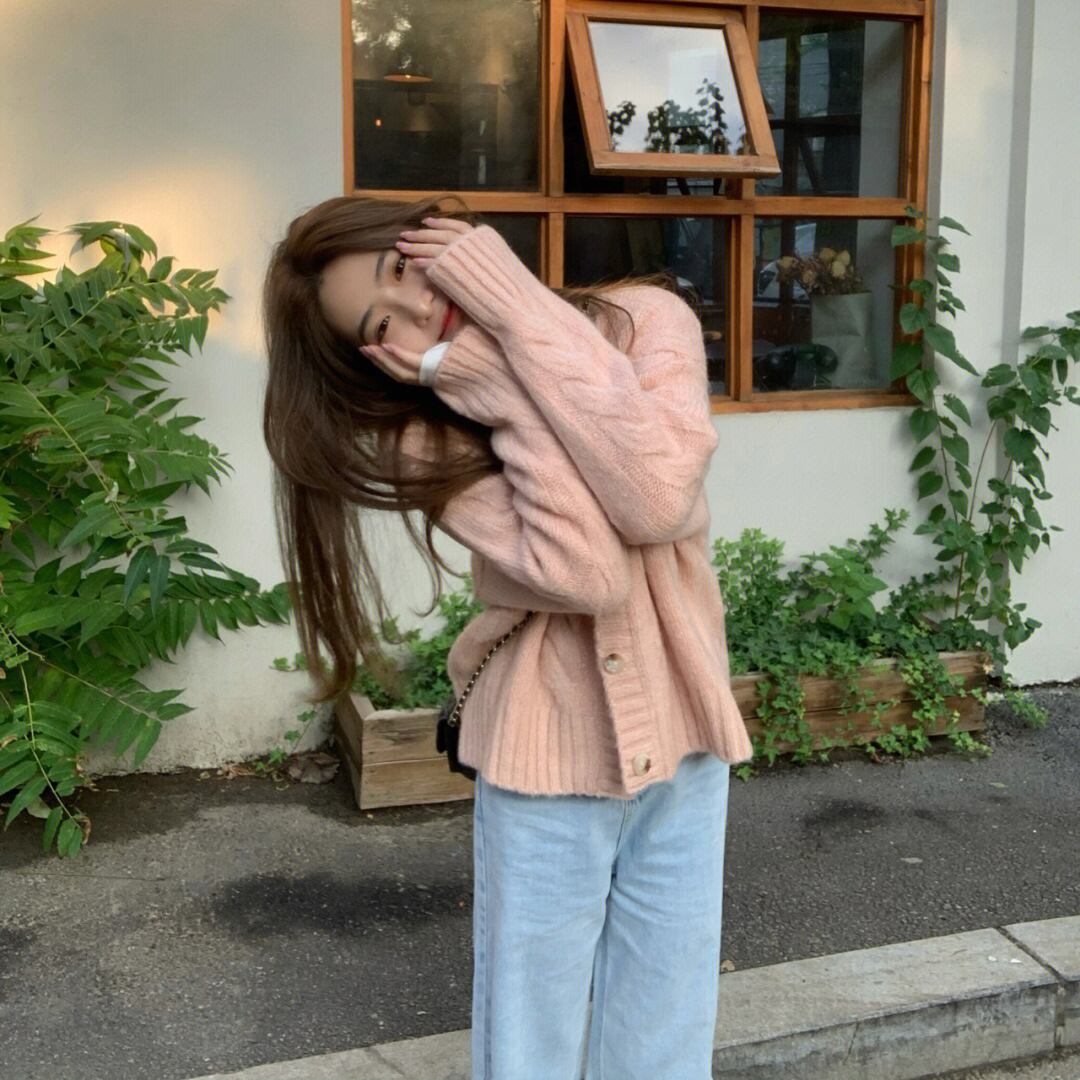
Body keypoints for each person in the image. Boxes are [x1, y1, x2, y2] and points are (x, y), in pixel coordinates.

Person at [261, 193, 754, 1080]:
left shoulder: (647, 321)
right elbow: (589, 572)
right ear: (372, 356)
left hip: (684, 736)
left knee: (667, 1035)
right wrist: (488, 381)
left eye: (404, 268)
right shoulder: (421, 435)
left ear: (444, 240)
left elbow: (657, 498)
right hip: (541, 752)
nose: (419, 309)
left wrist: (519, 310)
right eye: (383, 322)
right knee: (529, 1043)